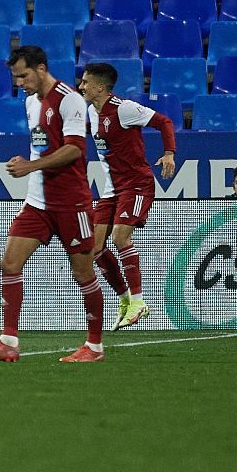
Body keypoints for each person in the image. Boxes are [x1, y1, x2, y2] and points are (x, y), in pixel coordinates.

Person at [0, 45, 104, 363]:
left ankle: (95, 347)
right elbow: (42, 146)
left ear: (41, 68)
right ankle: (8, 342)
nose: (19, 83)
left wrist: (30, 167)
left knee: (83, 272)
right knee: (9, 264)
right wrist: (32, 169)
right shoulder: (31, 103)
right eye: (15, 77)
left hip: (71, 204)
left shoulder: (69, 99)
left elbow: (74, 149)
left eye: (23, 75)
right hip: (37, 203)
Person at [80, 62, 177, 331]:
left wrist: (169, 152)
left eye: (86, 82)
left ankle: (139, 301)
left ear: (100, 86)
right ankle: (124, 300)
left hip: (136, 185)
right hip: (111, 190)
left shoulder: (124, 109)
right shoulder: (91, 110)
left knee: (120, 237)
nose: (82, 86)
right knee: (94, 248)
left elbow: (164, 121)